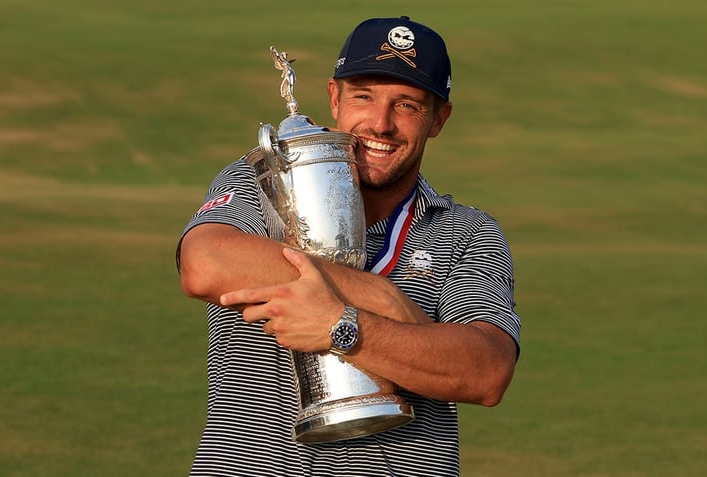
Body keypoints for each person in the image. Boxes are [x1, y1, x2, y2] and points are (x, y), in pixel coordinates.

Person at [176, 16, 521, 477]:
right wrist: (382, 299)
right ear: (334, 97)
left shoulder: (465, 232)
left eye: (408, 106)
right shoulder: (267, 182)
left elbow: (485, 372)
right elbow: (205, 262)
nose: (380, 124)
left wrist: (344, 326)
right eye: (364, 96)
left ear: (439, 119)